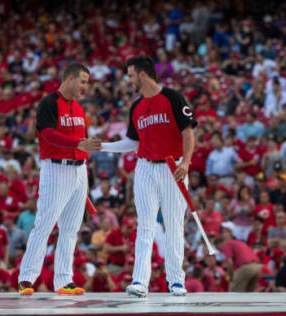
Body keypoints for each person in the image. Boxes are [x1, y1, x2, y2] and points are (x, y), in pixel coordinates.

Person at [99, 55, 197, 297]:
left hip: (172, 166)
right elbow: (132, 142)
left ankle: (176, 281)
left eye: (130, 75)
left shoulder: (173, 98)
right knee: (145, 225)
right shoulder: (136, 106)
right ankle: (140, 282)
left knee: (174, 225)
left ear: (142, 74)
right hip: (144, 167)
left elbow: (188, 131)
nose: (128, 80)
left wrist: (186, 161)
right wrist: (102, 146)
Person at [17, 64, 101, 296]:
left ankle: (64, 280)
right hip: (56, 168)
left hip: (79, 169)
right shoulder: (49, 103)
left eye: (87, 82)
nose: (86, 86)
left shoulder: (80, 109)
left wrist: (86, 148)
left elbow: (80, 141)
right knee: (44, 224)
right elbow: (47, 134)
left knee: (71, 228)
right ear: (70, 79)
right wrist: (77, 144)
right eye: (83, 81)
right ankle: (26, 278)